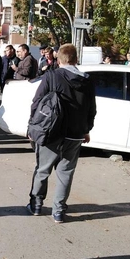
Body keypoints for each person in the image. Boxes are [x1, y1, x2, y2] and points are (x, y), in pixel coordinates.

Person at [27, 44, 96, 223]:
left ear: (59, 60)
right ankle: (58, 211)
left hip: (50, 132)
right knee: (65, 172)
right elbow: (91, 109)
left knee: (42, 169)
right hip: (75, 134)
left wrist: (31, 127)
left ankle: (36, 205)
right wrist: (86, 130)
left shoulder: (51, 76)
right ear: (76, 59)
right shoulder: (87, 81)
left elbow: (37, 103)